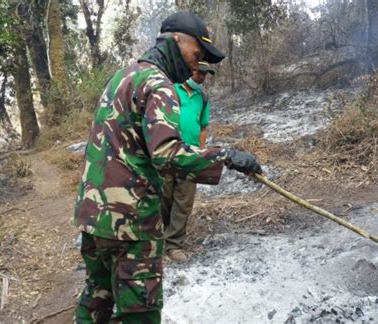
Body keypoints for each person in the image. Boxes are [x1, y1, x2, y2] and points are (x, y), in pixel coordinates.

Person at [73, 11, 262, 324]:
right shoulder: (159, 84)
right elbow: (166, 154)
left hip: (93, 216)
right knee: (140, 310)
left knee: (97, 296)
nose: (195, 64)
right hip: (129, 221)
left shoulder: (123, 76)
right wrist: (224, 156)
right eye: (196, 54)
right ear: (176, 41)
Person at [161, 61, 215, 262]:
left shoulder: (203, 97)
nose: (202, 77)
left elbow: (203, 127)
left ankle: (174, 245)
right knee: (164, 196)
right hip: (168, 150)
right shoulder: (171, 89)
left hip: (191, 155)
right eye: (199, 72)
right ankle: (164, 234)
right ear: (189, 69)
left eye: (205, 74)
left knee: (184, 201)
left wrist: (201, 152)